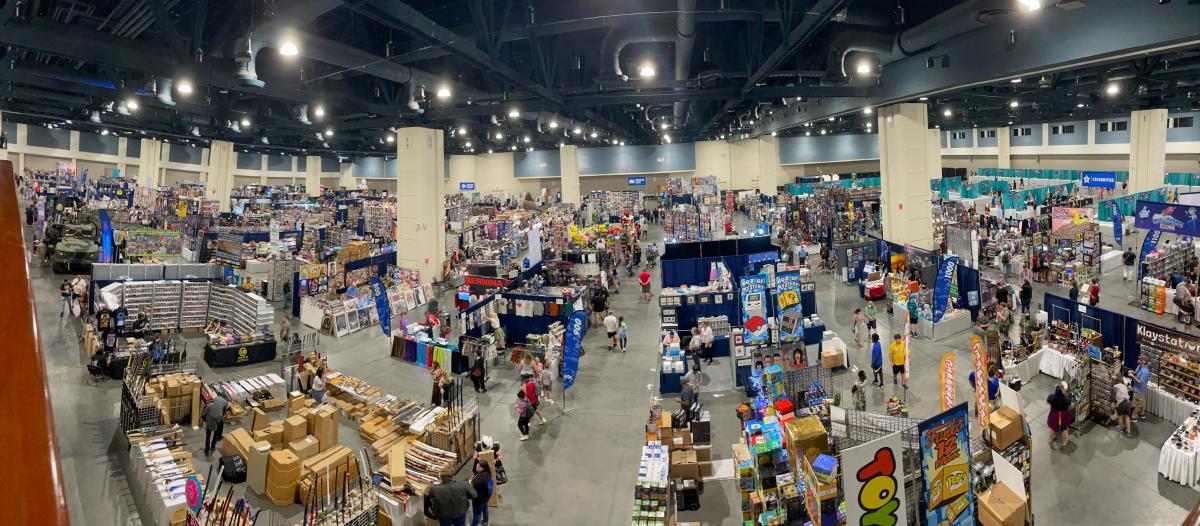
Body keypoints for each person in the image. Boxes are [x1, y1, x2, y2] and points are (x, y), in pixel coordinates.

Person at [469, 461, 493, 526]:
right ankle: (485, 522)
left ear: (483, 468)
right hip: (485, 497)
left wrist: (470, 482)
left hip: (478, 499)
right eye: (477, 465)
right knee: (485, 509)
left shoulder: (478, 479)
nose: (476, 467)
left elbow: (472, 489)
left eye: (478, 466)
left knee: (476, 514)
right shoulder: (488, 474)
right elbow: (490, 487)